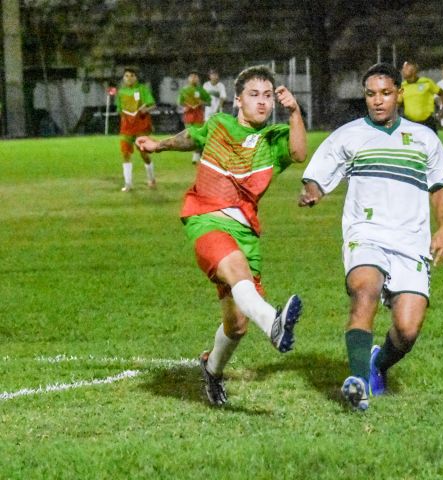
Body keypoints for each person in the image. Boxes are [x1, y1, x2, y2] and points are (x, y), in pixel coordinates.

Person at [136, 66, 307, 406]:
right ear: (238, 100)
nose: (262, 101)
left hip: (245, 231)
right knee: (235, 270)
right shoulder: (218, 125)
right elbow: (190, 137)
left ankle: (211, 371)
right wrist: (158, 145)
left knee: (237, 325)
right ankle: (273, 323)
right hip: (205, 217)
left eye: (268, 95)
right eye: (254, 94)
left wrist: (295, 112)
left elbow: (300, 153)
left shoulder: (272, 141)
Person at [298, 63, 443, 411]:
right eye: (371, 94)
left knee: (407, 330)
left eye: (385, 93)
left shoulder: (425, 138)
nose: (378, 101)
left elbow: (439, 186)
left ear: (398, 93)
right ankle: (358, 385)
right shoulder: (348, 135)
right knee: (364, 290)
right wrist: (312, 192)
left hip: (411, 241)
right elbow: (317, 175)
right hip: (365, 233)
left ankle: (376, 365)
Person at [115, 67, 157, 192]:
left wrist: (146, 110)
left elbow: (153, 105)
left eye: (131, 75)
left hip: (141, 127)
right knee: (125, 154)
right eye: (126, 76)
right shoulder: (121, 92)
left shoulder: (142, 89)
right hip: (126, 127)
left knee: (144, 153)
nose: (129, 78)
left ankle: (151, 178)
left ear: (136, 77)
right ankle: (128, 183)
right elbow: (119, 110)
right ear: (123, 78)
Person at [399, 60, 443, 134]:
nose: (402, 71)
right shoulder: (402, 87)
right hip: (408, 123)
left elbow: (442, 94)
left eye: (405, 68)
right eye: (403, 68)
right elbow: (397, 103)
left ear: (413, 70)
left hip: (427, 123)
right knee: (406, 143)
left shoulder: (427, 82)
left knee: (431, 145)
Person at [178, 71, 212, 164]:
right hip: (188, 115)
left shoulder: (201, 90)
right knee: (190, 137)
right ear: (188, 79)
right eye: (192, 76)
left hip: (198, 116)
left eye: (195, 76)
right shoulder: (184, 90)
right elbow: (180, 102)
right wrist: (185, 106)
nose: (194, 78)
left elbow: (209, 101)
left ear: (198, 79)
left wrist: (202, 102)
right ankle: (200, 153)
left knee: (197, 135)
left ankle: (197, 156)